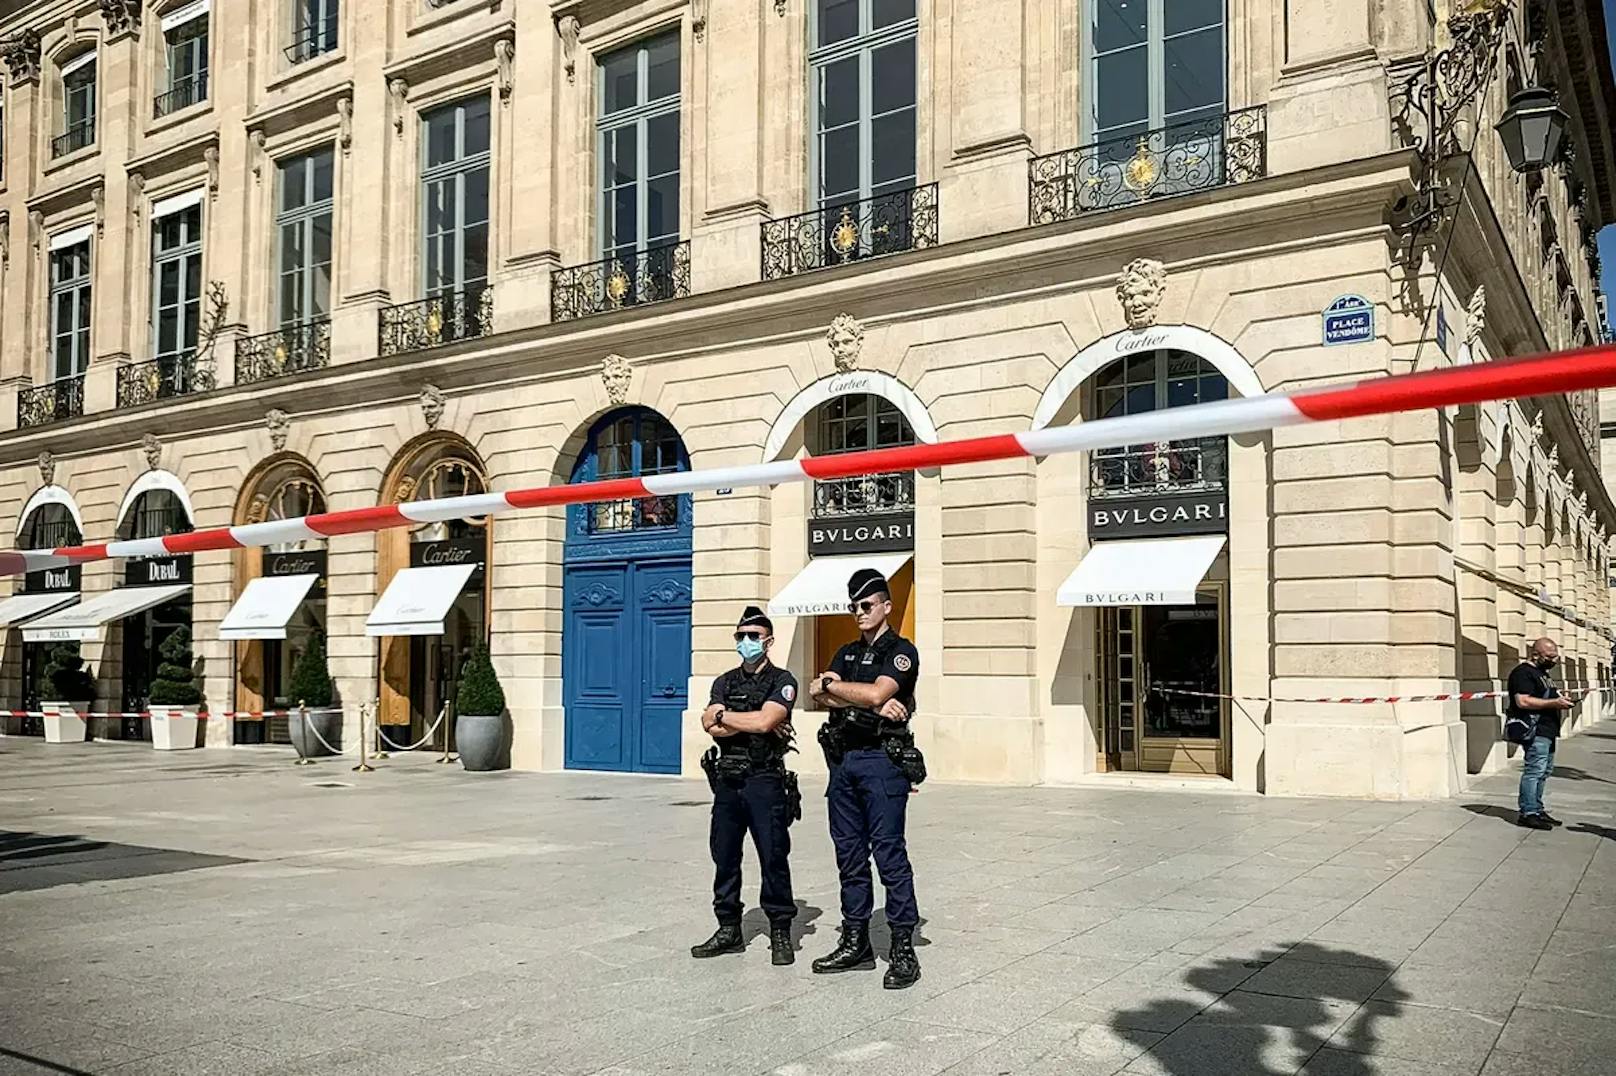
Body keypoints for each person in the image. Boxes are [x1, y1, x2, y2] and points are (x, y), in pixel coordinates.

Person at [810, 568, 924, 990]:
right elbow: (814, 690)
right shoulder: (845, 651)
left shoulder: (901, 651)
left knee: (889, 856)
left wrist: (844, 689)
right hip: (843, 763)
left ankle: (901, 946)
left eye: (866, 605)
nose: (858, 612)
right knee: (849, 856)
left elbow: (878, 692)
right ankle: (855, 940)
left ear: (886, 607)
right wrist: (841, 688)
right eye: (853, 606)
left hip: (882, 762)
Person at [690, 606, 802, 965]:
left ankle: (780, 930)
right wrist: (739, 719)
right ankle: (728, 927)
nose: (746, 642)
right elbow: (710, 724)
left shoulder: (782, 679)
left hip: (764, 778)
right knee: (723, 855)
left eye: (753, 636)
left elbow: (768, 721)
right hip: (727, 779)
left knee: (773, 855)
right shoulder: (724, 681)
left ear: (768, 640)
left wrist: (729, 718)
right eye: (740, 636)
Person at [1510, 636, 1576, 830]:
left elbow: (1546, 696)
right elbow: (1522, 701)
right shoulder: (1523, 673)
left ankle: (1537, 808)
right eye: (1549, 656)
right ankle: (1528, 812)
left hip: (1548, 729)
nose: (1553, 660)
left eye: (1556, 656)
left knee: (1544, 771)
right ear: (1536, 654)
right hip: (1534, 729)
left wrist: (1561, 699)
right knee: (1534, 771)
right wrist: (1554, 703)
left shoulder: (1543, 673)